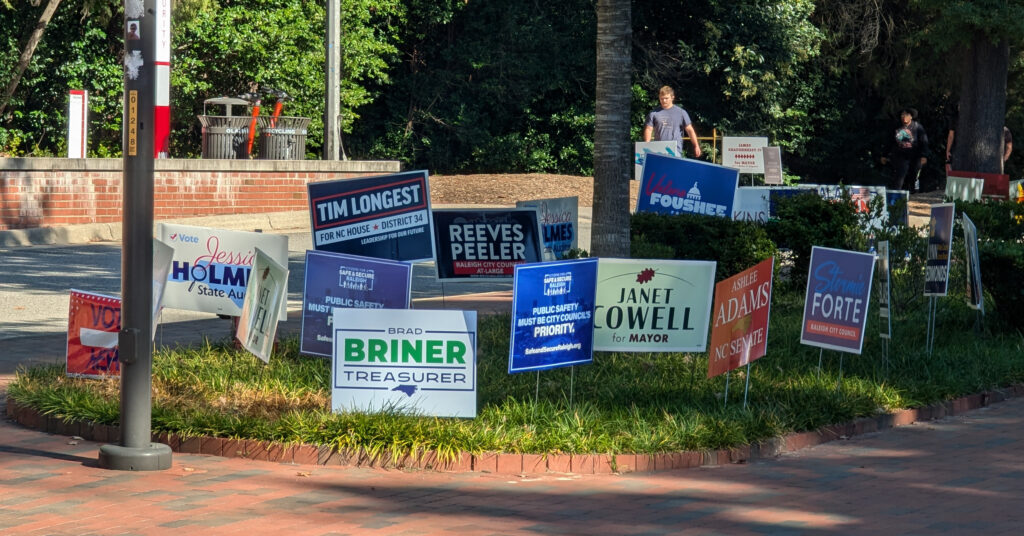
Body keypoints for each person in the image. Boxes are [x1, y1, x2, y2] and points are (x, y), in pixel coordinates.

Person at [642, 86, 702, 158]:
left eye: (666, 98)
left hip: (675, 150)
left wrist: (696, 146)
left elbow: (689, 130)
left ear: (672, 97)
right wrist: (647, 145)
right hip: (658, 150)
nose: (664, 101)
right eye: (662, 98)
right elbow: (648, 129)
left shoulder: (681, 112)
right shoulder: (654, 113)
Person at [881, 108, 928, 191]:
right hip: (899, 154)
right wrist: (884, 154)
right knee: (901, 172)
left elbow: (923, 142)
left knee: (914, 173)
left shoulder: (917, 127)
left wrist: (924, 155)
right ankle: (896, 191)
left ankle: (912, 191)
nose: (904, 117)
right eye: (902, 115)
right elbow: (889, 141)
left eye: (906, 115)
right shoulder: (896, 127)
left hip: (914, 154)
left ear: (911, 117)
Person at [946, 125, 1011, 172]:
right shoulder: (1003, 130)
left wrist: (1004, 159)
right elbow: (1009, 146)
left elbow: (1009, 147)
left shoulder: (1004, 130)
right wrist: (1003, 159)